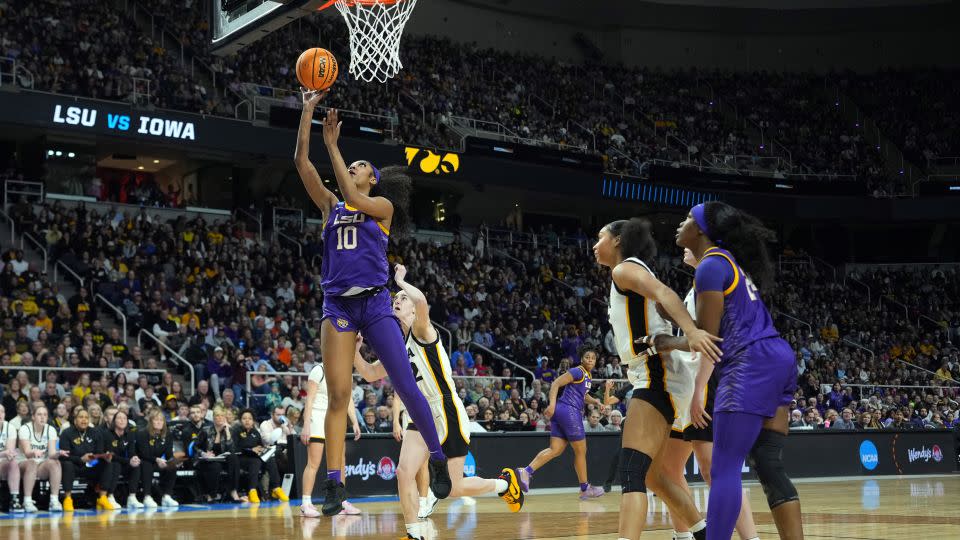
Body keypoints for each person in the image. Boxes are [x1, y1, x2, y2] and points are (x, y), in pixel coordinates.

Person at [294, 88, 450, 515]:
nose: (355, 167)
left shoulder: (379, 206)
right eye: (353, 163)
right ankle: (335, 486)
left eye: (361, 165)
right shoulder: (330, 206)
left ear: (371, 178)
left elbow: (352, 194)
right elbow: (301, 165)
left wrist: (334, 145)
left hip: (376, 302)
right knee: (339, 394)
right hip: (338, 307)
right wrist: (307, 114)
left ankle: (437, 460)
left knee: (403, 383)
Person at [650, 202, 805, 540]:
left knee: (723, 470)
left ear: (702, 231)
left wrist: (668, 340)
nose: (681, 223)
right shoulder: (728, 264)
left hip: (749, 363)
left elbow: (706, 338)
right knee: (768, 463)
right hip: (779, 357)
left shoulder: (711, 265)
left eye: (689, 218)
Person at [352, 264, 523, 540]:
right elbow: (370, 373)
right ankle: (414, 531)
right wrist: (354, 350)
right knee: (403, 471)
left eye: (402, 299)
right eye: (395, 299)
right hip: (419, 412)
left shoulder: (422, 330)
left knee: (454, 488)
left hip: (445, 409)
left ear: (411, 309)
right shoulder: (395, 347)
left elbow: (420, 301)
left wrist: (400, 281)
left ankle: (503, 485)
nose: (398, 300)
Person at [594, 217, 721, 540]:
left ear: (618, 240)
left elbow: (665, 293)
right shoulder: (635, 274)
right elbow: (664, 307)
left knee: (632, 471)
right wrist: (684, 334)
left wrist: (691, 331)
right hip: (663, 373)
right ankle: (705, 534)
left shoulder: (624, 270)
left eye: (600, 238)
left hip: (656, 373)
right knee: (653, 476)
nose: (595, 245)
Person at [655, 248, 760, 540]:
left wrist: (700, 388)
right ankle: (684, 536)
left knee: (716, 470)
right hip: (688, 382)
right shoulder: (700, 283)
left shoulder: (715, 279)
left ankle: (752, 538)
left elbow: (712, 342)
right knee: (668, 468)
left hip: (713, 379)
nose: (683, 245)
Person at [515, 346, 605, 499]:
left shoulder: (587, 375)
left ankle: (526, 471)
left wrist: (595, 401)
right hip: (569, 412)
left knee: (555, 450)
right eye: (587, 357)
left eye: (593, 358)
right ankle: (585, 488)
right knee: (581, 451)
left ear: (596, 361)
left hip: (562, 413)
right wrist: (551, 404)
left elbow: (583, 395)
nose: (590, 359)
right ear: (581, 358)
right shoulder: (577, 371)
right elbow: (556, 383)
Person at [299, 360, 361, 517]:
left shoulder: (346, 372)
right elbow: (309, 400)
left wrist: (354, 421)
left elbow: (348, 400)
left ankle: (341, 501)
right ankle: (306, 503)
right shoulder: (318, 370)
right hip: (317, 417)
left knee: (341, 461)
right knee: (314, 463)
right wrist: (306, 424)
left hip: (335, 419)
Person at [59, 408, 121, 510]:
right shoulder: (67, 433)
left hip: (91, 465)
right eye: (81, 417)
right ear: (75, 420)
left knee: (107, 463)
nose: (84, 420)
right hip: (74, 466)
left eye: (86, 417)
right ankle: (68, 499)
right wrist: (80, 459)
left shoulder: (95, 432)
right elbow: (64, 455)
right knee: (67, 464)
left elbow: (99, 451)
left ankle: (102, 498)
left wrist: (102, 456)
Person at [234, 409, 287, 503]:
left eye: (250, 418)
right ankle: (252, 490)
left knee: (270, 458)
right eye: (244, 418)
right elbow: (235, 447)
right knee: (256, 461)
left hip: (255, 457)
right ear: (240, 420)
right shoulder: (236, 431)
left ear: (253, 421)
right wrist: (250, 449)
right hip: (241, 457)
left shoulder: (255, 432)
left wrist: (263, 449)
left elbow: (260, 445)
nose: (247, 420)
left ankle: (276, 488)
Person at [18, 404, 64, 512]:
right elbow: (27, 453)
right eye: (39, 414)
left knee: (55, 463)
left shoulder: (51, 430)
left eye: (45, 415)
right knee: (32, 463)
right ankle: (27, 501)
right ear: (33, 417)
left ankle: (54, 500)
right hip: (23, 464)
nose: (42, 417)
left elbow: (51, 454)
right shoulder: (25, 429)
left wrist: (58, 453)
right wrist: (34, 452)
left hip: (41, 465)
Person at [196, 407, 245, 503]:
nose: (220, 418)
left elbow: (231, 450)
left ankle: (233, 491)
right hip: (208, 460)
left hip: (223, 459)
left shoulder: (230, 430)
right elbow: (195, 447)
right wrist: (204, 453)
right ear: (213, 418)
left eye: (222, 416)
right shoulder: (206, 430)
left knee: (234, 458)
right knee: (215, 466)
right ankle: (211, 495)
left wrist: (227, 432)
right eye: (217, 416)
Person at [135, 409, 180, 508]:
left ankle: (167, 496)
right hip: (143, 461)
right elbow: (143, 454)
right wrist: (157, 460)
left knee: (172, 466)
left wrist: (172, 461)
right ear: (151, 421)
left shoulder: (167, 434)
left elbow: (168, 454)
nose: (159, 422)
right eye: (156, 420)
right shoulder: (142, 433)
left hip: (158, 462)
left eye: (161, 420)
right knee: (147, 464)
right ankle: (147, 496)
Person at [104, 409, 144, 508]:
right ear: (114, 421)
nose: (122, 420)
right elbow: (111, 456)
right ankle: (110, 496)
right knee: (116, 465)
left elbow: (131, 452)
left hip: (124, 463)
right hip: (110, 463)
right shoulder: (107, 434)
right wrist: (128, 461)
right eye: (119, 418)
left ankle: (132, 497)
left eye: (124, 418)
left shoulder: (129, 434)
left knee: (136, 465)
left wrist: (134, 458)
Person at [0, 404, 24, 512]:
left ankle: (15, 500)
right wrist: (4, 453)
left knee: (13, 462)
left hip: (2, 462)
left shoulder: (10, 427)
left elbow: (9, 451)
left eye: (2, 411)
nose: (0, 414)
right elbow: (5, 452)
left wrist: (8, 454)